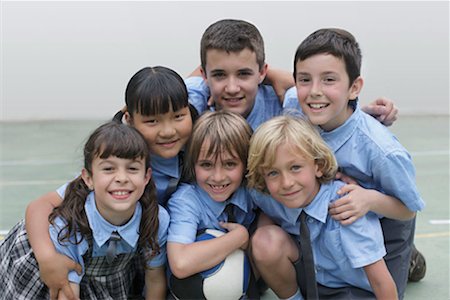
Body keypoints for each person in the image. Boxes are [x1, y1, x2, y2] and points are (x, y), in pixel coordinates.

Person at [24, 66, 195, 299]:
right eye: (152, 120)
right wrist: (47, 258)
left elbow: (210, 70)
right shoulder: (117, 161)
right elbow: (39, 206)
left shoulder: (195, 154)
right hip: (62, 248)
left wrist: (262, 72)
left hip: (131, 241)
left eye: (178, 116)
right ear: (129, 119)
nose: (167, 131)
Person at [287, 28, 425, 298]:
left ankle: (410, 260)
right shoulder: (296, 106)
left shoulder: (381, 150)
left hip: (385, 227)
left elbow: (409, 209)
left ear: (354, 87)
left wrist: (370, 200)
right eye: (305, 79)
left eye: (329, 80)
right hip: (334, 227)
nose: (314, 92)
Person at [0, 121, 169, 299]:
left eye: (132, 168)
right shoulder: (68, 225)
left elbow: (155, 279)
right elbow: (66, 293)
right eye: (109, 169)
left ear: (146, 177)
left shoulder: (156, 219)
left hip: (102, 272)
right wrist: (46, 257)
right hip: (46, 260)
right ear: (88, 178)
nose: (121, 178)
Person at [247, 115, 398, 300]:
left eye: (295, 167)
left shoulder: (345, 207)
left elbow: (381, 281)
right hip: (314, 279)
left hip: (353, 290)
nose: (286, 183)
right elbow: (264, 208)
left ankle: (412, 262)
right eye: (273, 172)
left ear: (318, 166)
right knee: (264, 241)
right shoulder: (270, 196)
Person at [185, 18, 398, 131]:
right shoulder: (192, 104)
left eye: (244, 74)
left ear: (262, 73)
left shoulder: (287, 103)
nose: (232, 88)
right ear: (205, 76)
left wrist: (364, 114)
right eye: (220, 75)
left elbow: (328, 107)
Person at [166, 111, 258, 299]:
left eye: (229, 164)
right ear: (193, 165)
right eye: (206, 165)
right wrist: (239, 237)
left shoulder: (250, 192)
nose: (217, 177)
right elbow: (180, 263)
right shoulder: (186, 201)